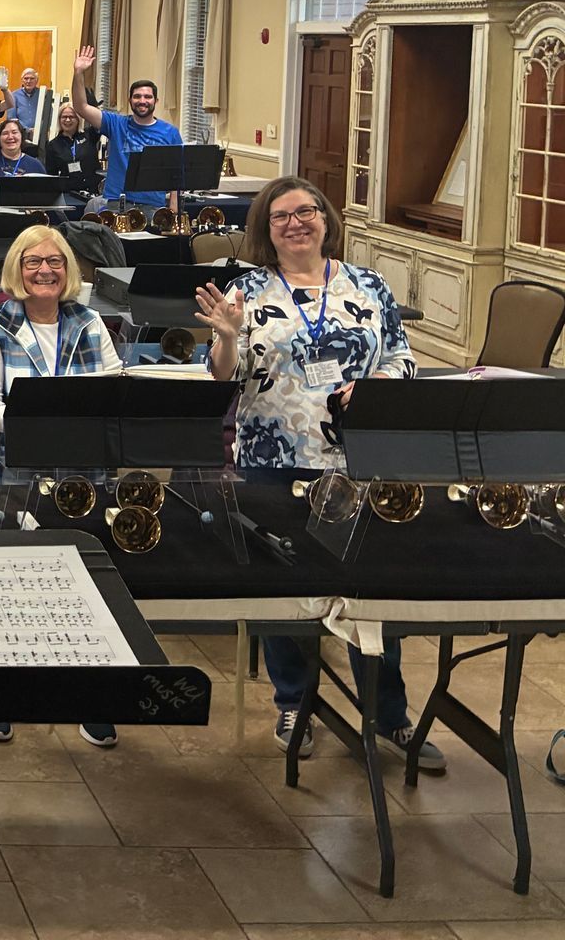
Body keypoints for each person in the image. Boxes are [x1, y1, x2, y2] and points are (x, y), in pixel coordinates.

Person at [193, 178, 440, 769]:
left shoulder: (368, 284)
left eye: (306, 212)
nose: (295, 223)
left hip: (359, 461)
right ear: (265, 229)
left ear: (326, 220)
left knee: (370, 588)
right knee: (287, 590)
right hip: (274, 459)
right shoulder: (246, 290)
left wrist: (376, 385)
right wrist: (225, 339)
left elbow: (402, 357)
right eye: (280, 216)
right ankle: (293, 702)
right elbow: (223, 376)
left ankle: (388, 714)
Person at [0, 225, 123, 748]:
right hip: (9, 473)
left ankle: (89, 695)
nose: (45, 271)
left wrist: (67, 422)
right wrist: (50, 422)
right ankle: (1, 693)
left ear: (68, 270)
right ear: (18, 269)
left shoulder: (90, 321)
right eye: (33, 262)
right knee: (8, 591)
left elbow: (114, 390)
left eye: (55, 262)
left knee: (85, 588)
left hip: (81, 474)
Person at [71, 46, 183, 211]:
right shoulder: (116, 123)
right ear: (130, 101)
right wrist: (78, 73)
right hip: (117, 203)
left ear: (156, 101)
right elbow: (81, 107)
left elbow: (177, 174)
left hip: (153, 206)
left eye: (148, 97)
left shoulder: (170, 132)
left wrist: (174, 211)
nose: (142, 100)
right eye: (137, 96)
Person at [43, 101, 101, 193]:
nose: (67, 120)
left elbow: (100, 122)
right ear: (59, 119)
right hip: (69, 194)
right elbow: (51, 176)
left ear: (78, 119)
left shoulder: (89, 135)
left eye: (71, 117)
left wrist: (94, 108)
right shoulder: (53, 145)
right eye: (64, 117)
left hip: (93, 191)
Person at [0, 66, 55, 147]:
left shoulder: (44, 95)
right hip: (21, 137)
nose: (28, 81)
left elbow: (50, 116)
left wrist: (38, 130)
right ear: (22, 80)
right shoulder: (14, 96)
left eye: (32, 78)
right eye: (26, 78)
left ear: (37, 80)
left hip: (41, 137)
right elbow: (11, 118)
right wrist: (28, 131)